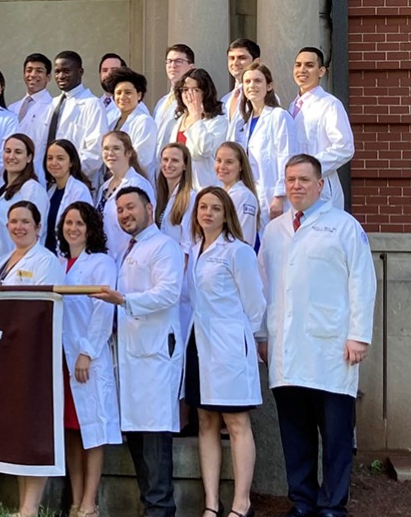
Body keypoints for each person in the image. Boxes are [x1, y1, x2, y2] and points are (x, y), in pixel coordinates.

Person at [257, 154, 376, 517]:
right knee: (296, 433)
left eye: (304, 179)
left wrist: (359, 336)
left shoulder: (343, 226)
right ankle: (303, 501)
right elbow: (263, 286)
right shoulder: (274, 231)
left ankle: (332, 504)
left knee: (336, 434)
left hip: (332, 348)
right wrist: (263, 333)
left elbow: (362, 281)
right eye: (291, 179)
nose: (296, 186)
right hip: (286, 348)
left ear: (320, 185)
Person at [92, 186, 184, 517]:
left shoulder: (163, 247)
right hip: (131, 354)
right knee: (137, 433)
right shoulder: (127, 250)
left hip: (155, 353)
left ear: (149, 207)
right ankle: (151, 506)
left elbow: (169, 292)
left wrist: (125, 301)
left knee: (155, 433)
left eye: (131, 207)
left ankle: (161, 509)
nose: (125, 214)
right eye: (120, 210)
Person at [185, 187, 266, 517]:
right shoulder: (194, 249)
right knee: (205, 420)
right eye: (203, 207)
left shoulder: (237, 251)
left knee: (235, 422)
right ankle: (210, 503)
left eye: (215, 208)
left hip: (230, 345)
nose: (207, 213)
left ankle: (240, 503)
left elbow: (255, 304)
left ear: (226, 213)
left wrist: (238, 335)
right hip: (200, 344)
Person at [0, 200, 65, 517]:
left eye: (25, 222)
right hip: (7, 356)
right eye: (13, 221)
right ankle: (23, 507)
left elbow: (40, 309)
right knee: (19, 429)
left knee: (33, 429)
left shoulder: (46, 261)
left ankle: (31, 507)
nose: (18, 227)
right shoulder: (5, 259)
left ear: (38, 227)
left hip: (33, 356)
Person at [57, 201, 121, 517]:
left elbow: (103, 310)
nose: (73, 228)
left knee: (92, 430)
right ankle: (74, 500)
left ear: (91, 228)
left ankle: (89, 504)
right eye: (68, 222)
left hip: (87, 360)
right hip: (62, 361)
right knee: (70, 430)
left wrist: (86, 353)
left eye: (80, 223)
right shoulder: (57, 263)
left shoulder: (101, 263)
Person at [227, 62, 296, 231]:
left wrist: (279, 196)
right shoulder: (241, 122)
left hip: (271, 196)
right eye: (247, 82)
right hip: (248, 196)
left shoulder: (279, 116)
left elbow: (286, 157)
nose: (252, 86)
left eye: (258, 81)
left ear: (269, 86)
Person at [290, 47, 355, 210]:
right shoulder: (292, 107)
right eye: (298, 65)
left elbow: (345, 147)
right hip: (296, 186)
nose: (302, 70)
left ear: (321, 71)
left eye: (309, 65)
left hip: (322, 188)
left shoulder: (330, 104)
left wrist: (311, 167)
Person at [40, 51, 108, 186]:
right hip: (49, 181)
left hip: (78, 181)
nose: (60, 76)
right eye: (57, 71)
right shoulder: (52, 104)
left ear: (80, 72)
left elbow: (95, 152)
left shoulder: (92, 104)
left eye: (66, 71)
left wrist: (67, 174)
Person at [154, 142, 196, 340]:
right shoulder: (160, 197)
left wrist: (175, 278)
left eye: (175, 161)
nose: (168, 165)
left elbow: (188, 244)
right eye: (165, 160)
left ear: (185, 166)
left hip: (179, 277)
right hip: (162, 273)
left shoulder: (190, 197)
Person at [94, 131, 155, 260]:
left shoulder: (138, 184)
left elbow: (147, 227)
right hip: (105, 260)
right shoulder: (104, 187)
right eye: (106, 149)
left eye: (116, 148)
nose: (110, 153)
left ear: (128, 153)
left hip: (130, 260)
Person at [169, 68, 228, 190]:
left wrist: (196, 118)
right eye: (185, 90)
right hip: (179, 188)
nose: (189, 95)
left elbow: (202, 151)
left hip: (203, 187)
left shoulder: (218, 120)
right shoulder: (180, 119)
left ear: (205, 92)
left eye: (195, 90)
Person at [0, 134, 49, 252]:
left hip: (18, 262)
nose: (11, 156)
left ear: (29, 158)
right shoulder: (1, 189)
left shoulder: (32, 189)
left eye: (18, 152)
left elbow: (33, 234)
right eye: (7, 151)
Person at [104, 68, 159, 179]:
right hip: (112, 180)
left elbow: (142, 159)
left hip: (134, 181)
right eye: (118, 93)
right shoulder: (113, 122)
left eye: (128, 92)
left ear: (139, 95)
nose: (122, 97)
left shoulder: (144, 122)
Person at [43, 139, 94, 254]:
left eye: (60, 158)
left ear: (71, 162)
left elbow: (84, 229)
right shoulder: (50, 191)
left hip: (68, 257)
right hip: (48, 255)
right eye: (50, 158)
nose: (54, 162)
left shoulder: (79, 191)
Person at [9, 53, 53, 173]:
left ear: (48, 77)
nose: (33, 75)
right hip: (11, 170)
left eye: (39, 71)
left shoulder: (53, 107)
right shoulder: (12, 108)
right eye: (29, 70)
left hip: (38, 172)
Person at [214, 142, 260, 247]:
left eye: (229, 162)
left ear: (240, 167)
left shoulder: (244, 196)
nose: (222, 166)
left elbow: (243, 238)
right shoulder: (218, 194)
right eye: (219, 160)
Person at [153, 44, 196, 149]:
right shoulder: (161, 102)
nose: (173, 65)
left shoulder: (194, 99)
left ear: (191, 67)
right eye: (169, 61)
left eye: (178, 61)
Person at [221, 38, 261, 125]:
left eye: (242, 58)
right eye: (231, 58)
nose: (235, 63)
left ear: (256, 62)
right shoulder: (225, 100)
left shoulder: (263, 97)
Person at [97, 52, 127, 118]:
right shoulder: (95, 104)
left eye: (114, 70)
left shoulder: (134, 106)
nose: (108, 74)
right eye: (105, 70)